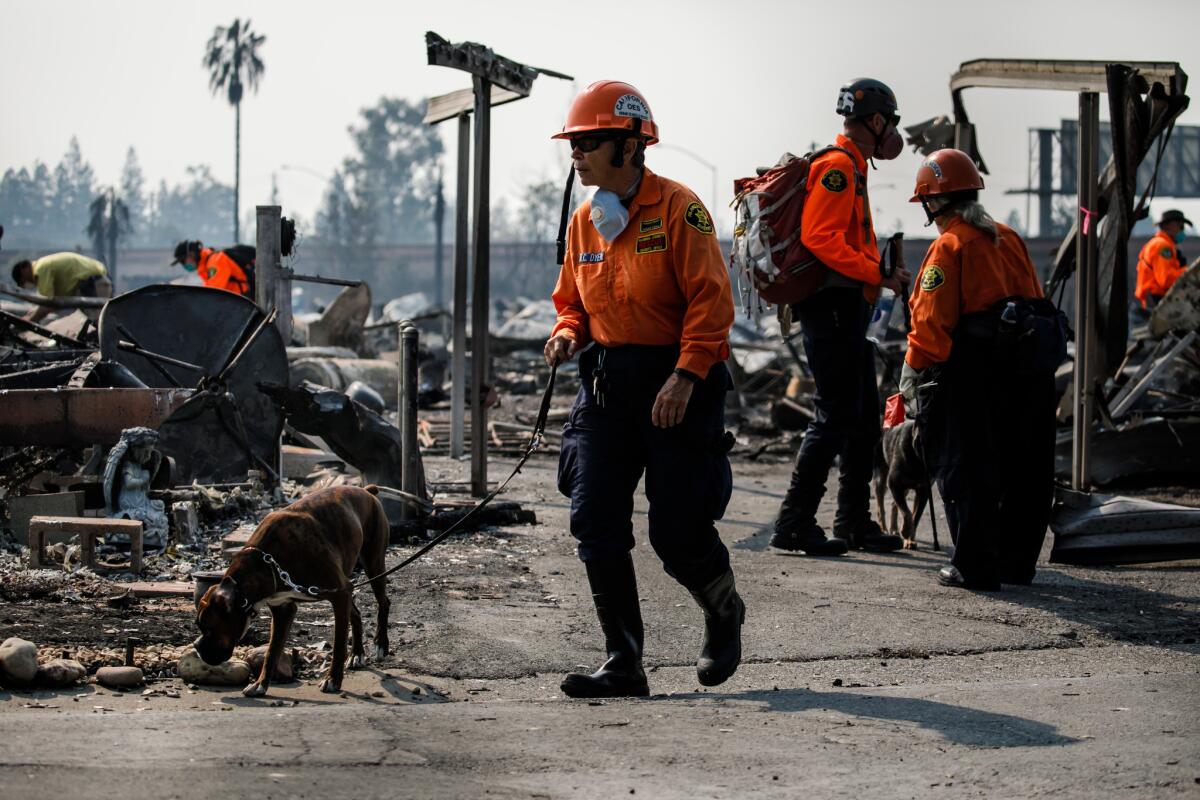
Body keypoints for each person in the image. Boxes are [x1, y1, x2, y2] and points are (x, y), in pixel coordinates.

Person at [544, 80, 743, 698]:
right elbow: (571, 302)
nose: (576, 156)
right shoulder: (585, 223)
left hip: (680, 380)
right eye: (573, 145)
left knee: (676, 531)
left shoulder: (681, 211)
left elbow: (712, 301)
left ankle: (723, 610)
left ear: (630, 146)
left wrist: (686, 376)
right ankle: (623, 661)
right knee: (594, 518)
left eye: (588, 143)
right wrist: (566, 333)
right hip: (608, 386)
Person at [901, 148, 1059, 590]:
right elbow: (1034, 297)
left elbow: (931, 325)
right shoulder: (1008, 236)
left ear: (933, 202)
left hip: (972, 375)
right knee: (1026, 468)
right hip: (1027, 373)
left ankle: (974, 566)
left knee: (967, 468)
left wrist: (913, 375)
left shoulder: (949, 246)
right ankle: (1016, 563)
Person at [770, 78, 910, 556]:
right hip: (829, 308)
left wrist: (877, 274)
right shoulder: (838, 168)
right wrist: (879, 271)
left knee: (865, 419)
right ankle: (793, 523)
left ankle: (853, 522)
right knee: (832, 416)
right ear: (875, 120)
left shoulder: (852, 167)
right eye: (890, 122)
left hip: (847, 308)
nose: (893, 131)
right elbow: (820, 238)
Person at [10, 251, 110, 323]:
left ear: (24, 270)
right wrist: (28, 316)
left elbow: (47, 305)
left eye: (23, 281)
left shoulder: (41, 269)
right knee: (92, 323)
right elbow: (46, 304)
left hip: (93, 283)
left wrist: (28, 321)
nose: (27, 284)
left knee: (98, 322)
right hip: (95, 282)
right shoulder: (43, 266)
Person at [1131, 209, 1191, 326]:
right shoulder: (1162, 246)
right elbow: (1166, 280)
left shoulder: (1161, 244)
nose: (1182, 230)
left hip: (1155, 300)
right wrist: (1188, 273)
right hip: (1157, 301)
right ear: (1169, 225)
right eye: (1180, 225)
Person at [172, 240, 254, 296]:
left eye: (183, 261)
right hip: (235, 303)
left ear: (191, 254)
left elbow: (214, 292)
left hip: (243, 302)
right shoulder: (205, 266)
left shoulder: (216, 261)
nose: (183, 265)